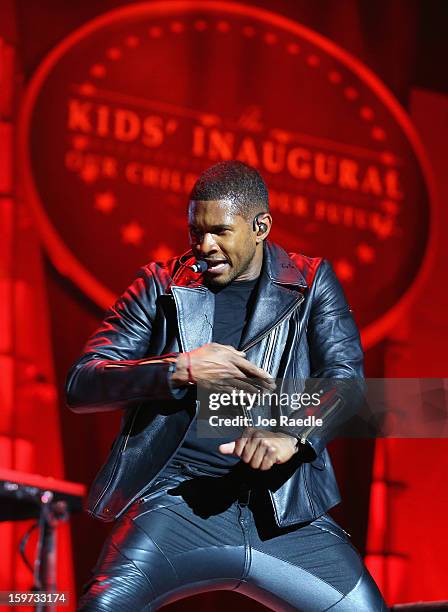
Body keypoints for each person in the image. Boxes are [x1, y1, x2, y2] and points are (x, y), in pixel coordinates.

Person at [66, 161, 387, 611]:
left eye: (220, 232)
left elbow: (346, 381)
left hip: (284, 513)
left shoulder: (310, 283)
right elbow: (83, 382)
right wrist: (180, 369)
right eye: (195, 233)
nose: (204, 247)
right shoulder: (158, 285)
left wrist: (291, 434)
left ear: (261, 226)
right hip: (177, 506)